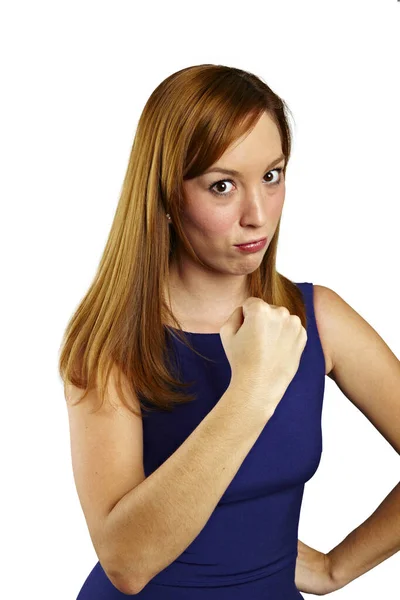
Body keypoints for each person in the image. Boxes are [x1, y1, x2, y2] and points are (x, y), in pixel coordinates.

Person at [60, 65, 399, 599]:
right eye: (222, 186)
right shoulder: (113, 341)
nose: (258, 215)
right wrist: (253, 390)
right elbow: (125, 562)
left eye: (272, 175)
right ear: (167, 194)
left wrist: (337, 569)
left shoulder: (319, 318)